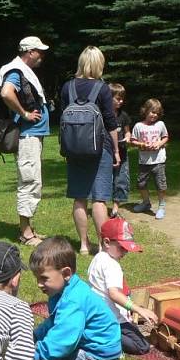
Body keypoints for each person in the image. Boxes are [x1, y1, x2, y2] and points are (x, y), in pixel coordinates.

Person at [30, 237, 122, 360]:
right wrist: (34, 336)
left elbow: (64, 341)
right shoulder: (63, 292)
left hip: (98, 354)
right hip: (91, 345)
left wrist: (34, 355)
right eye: (36, 278)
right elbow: (54, 323)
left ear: (66, 273)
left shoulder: (73, 300)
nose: (38, 284)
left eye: (43, 278)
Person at [60, 46, 120, 254]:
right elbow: (110, 122)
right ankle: (104, 248)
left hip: (74, 148)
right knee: (99, 198)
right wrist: (116, 150)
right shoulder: (102, 88)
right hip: (99, 147)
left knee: (79, 196)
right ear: (99, 64)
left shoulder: (68, 87)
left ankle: (84, 245)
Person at [0, 36, 51, 246]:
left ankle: (28, 228)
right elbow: (6, 93)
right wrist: (25, 113)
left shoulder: (23, 71)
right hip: (28, 134)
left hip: (33, 135)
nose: (42, 56)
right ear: (30, 52)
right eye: (40, 51)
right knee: (29, 181)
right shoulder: (15, 71)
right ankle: (26, 233)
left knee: (33, 180)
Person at [87, 217, 157, 355]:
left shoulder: (98, 258)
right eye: (121, 248)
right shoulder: (112, 265)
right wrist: (138, 309)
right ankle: (103, 336)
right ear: (107, 242)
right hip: (110, 319)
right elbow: (114, 294)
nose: (125, 252)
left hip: (96, 314)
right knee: (142, 346)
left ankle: (97, 330)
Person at [131, 99, 169, 220]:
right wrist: (141, 145)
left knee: (160, 185)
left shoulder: (160, 124)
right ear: (145, 111)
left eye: (157, 113)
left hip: (159, 161)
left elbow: (165, 137)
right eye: (152, 112)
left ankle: (162, 206)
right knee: (141, 184)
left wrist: (159, 143)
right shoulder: (138, 126)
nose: (154, 115)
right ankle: (146, 203)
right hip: (144, 161)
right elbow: (132, 141)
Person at [109, 83, 132, 218]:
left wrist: (127, 137)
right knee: (108, 179)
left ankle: (116, 206)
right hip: (107, 153)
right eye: (118, 98)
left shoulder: (123, 116)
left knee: (120, 179)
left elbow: (127, 132)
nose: (121, 101)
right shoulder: (104, 114)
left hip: (122, 153)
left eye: (122, 98)